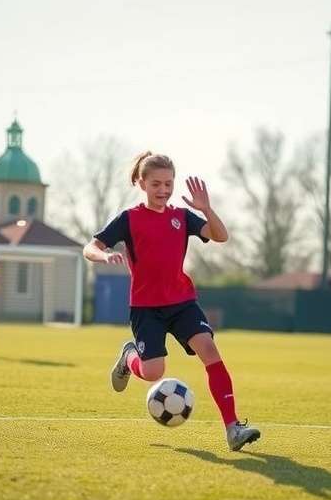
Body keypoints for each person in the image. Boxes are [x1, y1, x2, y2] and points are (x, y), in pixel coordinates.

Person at [83, 151, 260, 451]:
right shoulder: (129, 219)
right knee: (154, 372)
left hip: (182, 301)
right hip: (145, 308)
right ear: (141, 183)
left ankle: (233, 429)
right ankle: (129, 357)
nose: (163, 190)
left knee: (210, 351)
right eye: (156, 184)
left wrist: (206, 209)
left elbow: (221, 236)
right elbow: (91, 246)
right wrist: (103, 255)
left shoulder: (182, 216)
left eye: (168, 183)